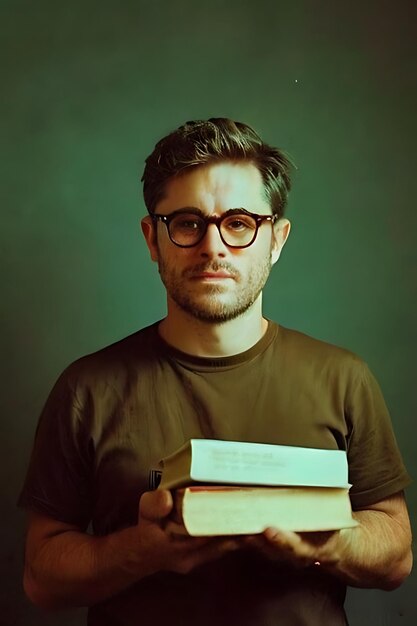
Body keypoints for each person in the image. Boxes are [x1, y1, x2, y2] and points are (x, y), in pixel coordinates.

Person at [19, 118, 412, 626]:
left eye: (239, 222)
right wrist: (142, 550)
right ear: (152, 238)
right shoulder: (86, 389)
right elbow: (41, 579)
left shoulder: (345, 378)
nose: (213, 247)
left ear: (276, 239)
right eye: (187, 222)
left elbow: (397, 555)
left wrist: (330, 541)